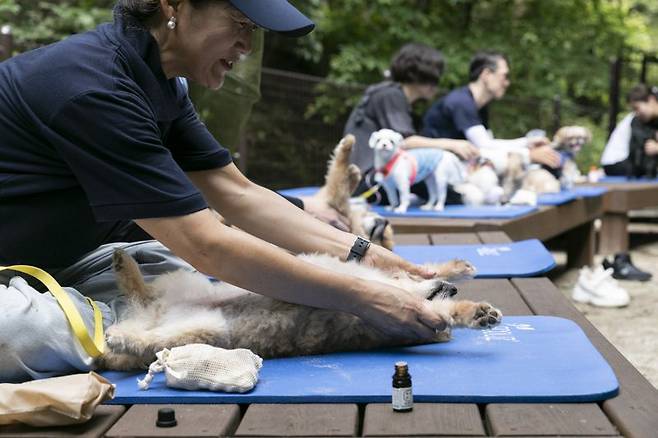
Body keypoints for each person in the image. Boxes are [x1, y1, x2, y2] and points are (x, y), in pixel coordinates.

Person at [0, 0, 447, 383]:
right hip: (15, 275)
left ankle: (143, 321)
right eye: (238, 22)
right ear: (173, 5)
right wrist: (365, 296)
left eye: (251, 30)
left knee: (172, 266)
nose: (246, 46)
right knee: (19, 331)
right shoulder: (90, 86)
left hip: (64, 260)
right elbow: (207, 245)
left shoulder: (161, 82)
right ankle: (138, 329)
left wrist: (372, 259)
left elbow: (239, 194)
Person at [343, 43, 479, 202]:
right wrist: (452, 144)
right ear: (418, 74)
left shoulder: (388, 94)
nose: (436, 84)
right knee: (452, 194)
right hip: (370, 181)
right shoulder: (390, 95)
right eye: (433, 76)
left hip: (368, 177)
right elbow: (405, 141)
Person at [421, 51, 560, 173]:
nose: (507, 83)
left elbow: (487, 144)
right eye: (504, 76)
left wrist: (527, 143)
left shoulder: (479, 106)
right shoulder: (461, 102)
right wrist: (528, 154)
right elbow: (484, 146)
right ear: (486, 74)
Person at [601, 84, 658, 177]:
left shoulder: (650, 120)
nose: (636, 113)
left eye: (637, 108)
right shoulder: (636, 121)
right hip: (616, 163)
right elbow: (645, 149)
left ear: (651, 100)